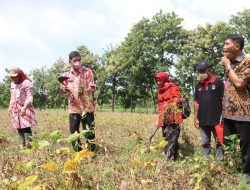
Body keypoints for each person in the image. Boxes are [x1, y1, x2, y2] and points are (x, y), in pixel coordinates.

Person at [220, 34, 250, 183]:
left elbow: (239, 83)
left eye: (227, 44)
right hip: (228, 113)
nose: (224, 47)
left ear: (237, 47)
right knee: (227, 144)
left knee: (246, 146)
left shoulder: (248, 61)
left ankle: (247, 174)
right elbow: (228, 87)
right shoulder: (230, 63)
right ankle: (230, 172)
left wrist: (228, 67)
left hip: (244, 114)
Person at [60, 51, 96, 152]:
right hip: (73, 107)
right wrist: (65, 89)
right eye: (75, 60)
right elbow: (62, 87)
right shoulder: (66, 74)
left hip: (87, 107)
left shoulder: (87, 71)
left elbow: (92, 87)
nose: (77, 62)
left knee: (89, 131)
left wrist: (84, 90)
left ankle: (90, 152)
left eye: (79, 60)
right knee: (74, 131)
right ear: (70, 61)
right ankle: (78, 152)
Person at [194, 62, 224, 158]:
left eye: (203, 71)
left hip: (217, 120)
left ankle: (221, 162)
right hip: (203, 120)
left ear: (209, 70)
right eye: (199, 71)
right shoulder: (198, 85)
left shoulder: (218, 83)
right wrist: (195, 118)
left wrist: (223, 115)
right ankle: (206, 162)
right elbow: (196, 102)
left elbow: (223, 100)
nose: (201, 73)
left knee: (220, 142)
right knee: (205, 142)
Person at [155, 71, 183, 161]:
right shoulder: (160, 91)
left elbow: (177, 99)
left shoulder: (173, 87)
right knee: (166, 137)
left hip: (173, 117)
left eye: (159, 80)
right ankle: (174, 157)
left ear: (164, 79)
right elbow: (160, 106)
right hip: (164, 118)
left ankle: (169, 160)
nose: (158, 82)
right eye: (156, 81)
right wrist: (158, 119)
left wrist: (169, 106)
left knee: (172, 138)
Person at [8, 67, 36, 149]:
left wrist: (24, 107)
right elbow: (12, 96)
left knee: (26, 127)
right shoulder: (12, 84)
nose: (14, 78)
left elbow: (30, 97)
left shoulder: (26, 83)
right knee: (19, 127)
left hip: (25, 108)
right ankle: (22, 146)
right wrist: (10, 106)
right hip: (15, 109)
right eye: (12, 77)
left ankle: (29, 148)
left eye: (15, 76)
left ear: (20, 74)